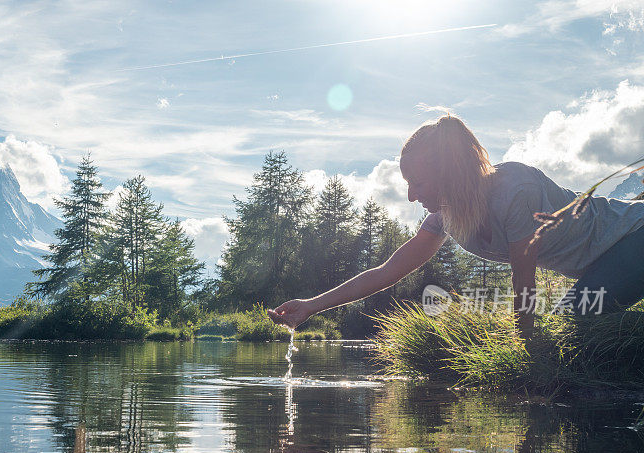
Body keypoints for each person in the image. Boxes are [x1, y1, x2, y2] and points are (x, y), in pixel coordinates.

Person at [267, 114, 644, 340]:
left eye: (417, 182)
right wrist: (312, 307)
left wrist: (524, 355)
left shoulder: (515, 189)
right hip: (599, 264)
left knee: (571, 320)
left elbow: (523, 282)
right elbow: (386, 272)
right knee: (575, 318)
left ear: (447, 172)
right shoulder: (446, 218)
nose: (412, 196)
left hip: (633, 237)